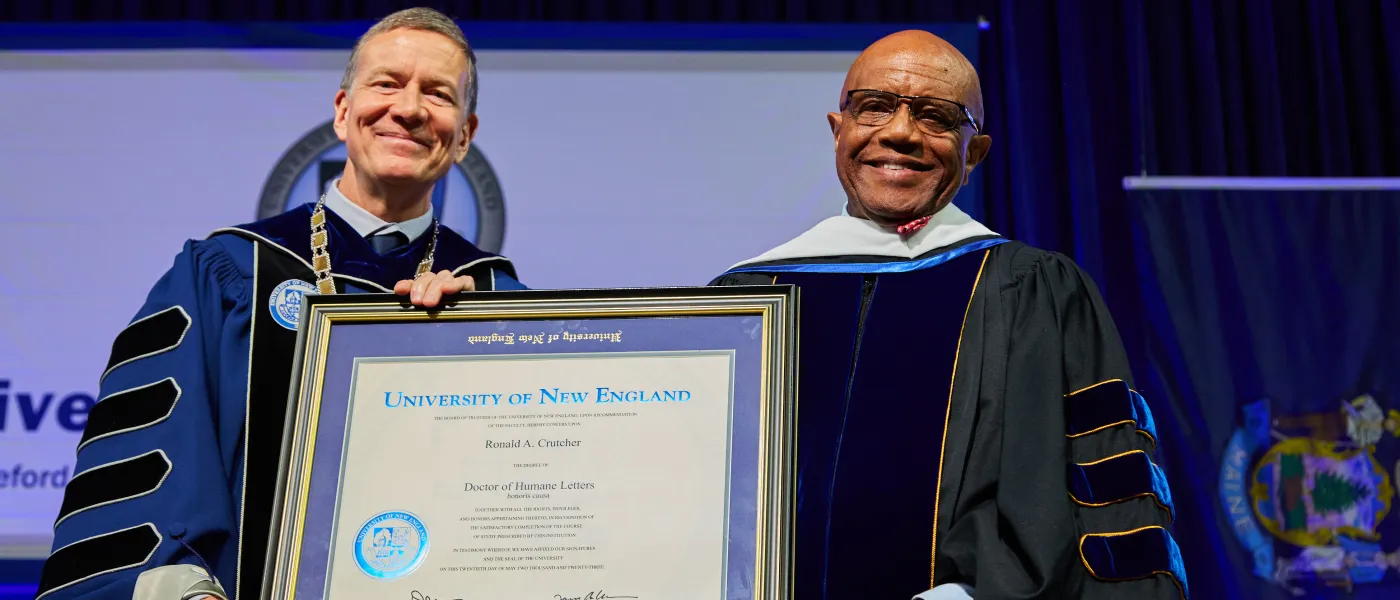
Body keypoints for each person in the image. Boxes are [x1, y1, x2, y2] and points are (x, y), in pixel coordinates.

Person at [35, 8, 518, 600]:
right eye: (387, 83)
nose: (410, 108)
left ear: (464, 134)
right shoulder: (227, 272)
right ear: (344, 111)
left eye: (437, 94)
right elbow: (151, 465)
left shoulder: (493, 296)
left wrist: (485, 343)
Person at [712, 31, 1187, 600]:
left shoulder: (1034, 291)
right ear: (839, 131)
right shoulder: (747, 300)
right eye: (875, 107)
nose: (899, 133)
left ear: (974, 154)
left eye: (936, 117)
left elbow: (1103, 500)